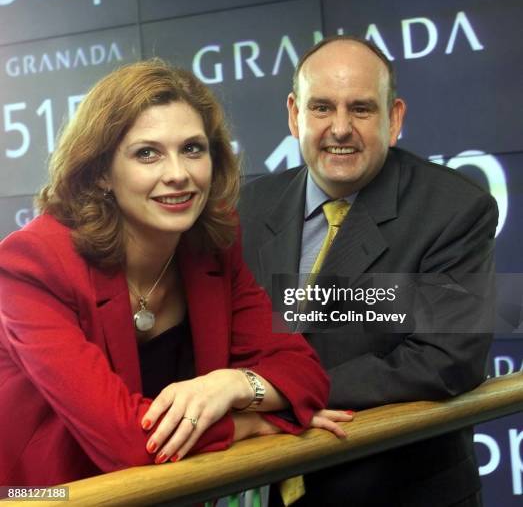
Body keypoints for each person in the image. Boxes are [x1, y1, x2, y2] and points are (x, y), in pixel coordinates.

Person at [0, 60, 350, 487]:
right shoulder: (32, 262)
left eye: (192, 149)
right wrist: (252, 424)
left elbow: (305, 372)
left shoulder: (211, 244)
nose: (178, 175)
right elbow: (127, 443)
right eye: (147, 153)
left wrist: (233, 386)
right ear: (101, 173)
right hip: (42, 496)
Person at [238, 36, 498, 507]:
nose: (340, 128)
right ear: (294, 114)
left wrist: (278, 392)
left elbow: (445, 359)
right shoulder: (247, 208)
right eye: (321, 108)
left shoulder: (455, 208)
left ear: (394, 118)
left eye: (360, 109)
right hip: (272, 489)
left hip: (401, 495)